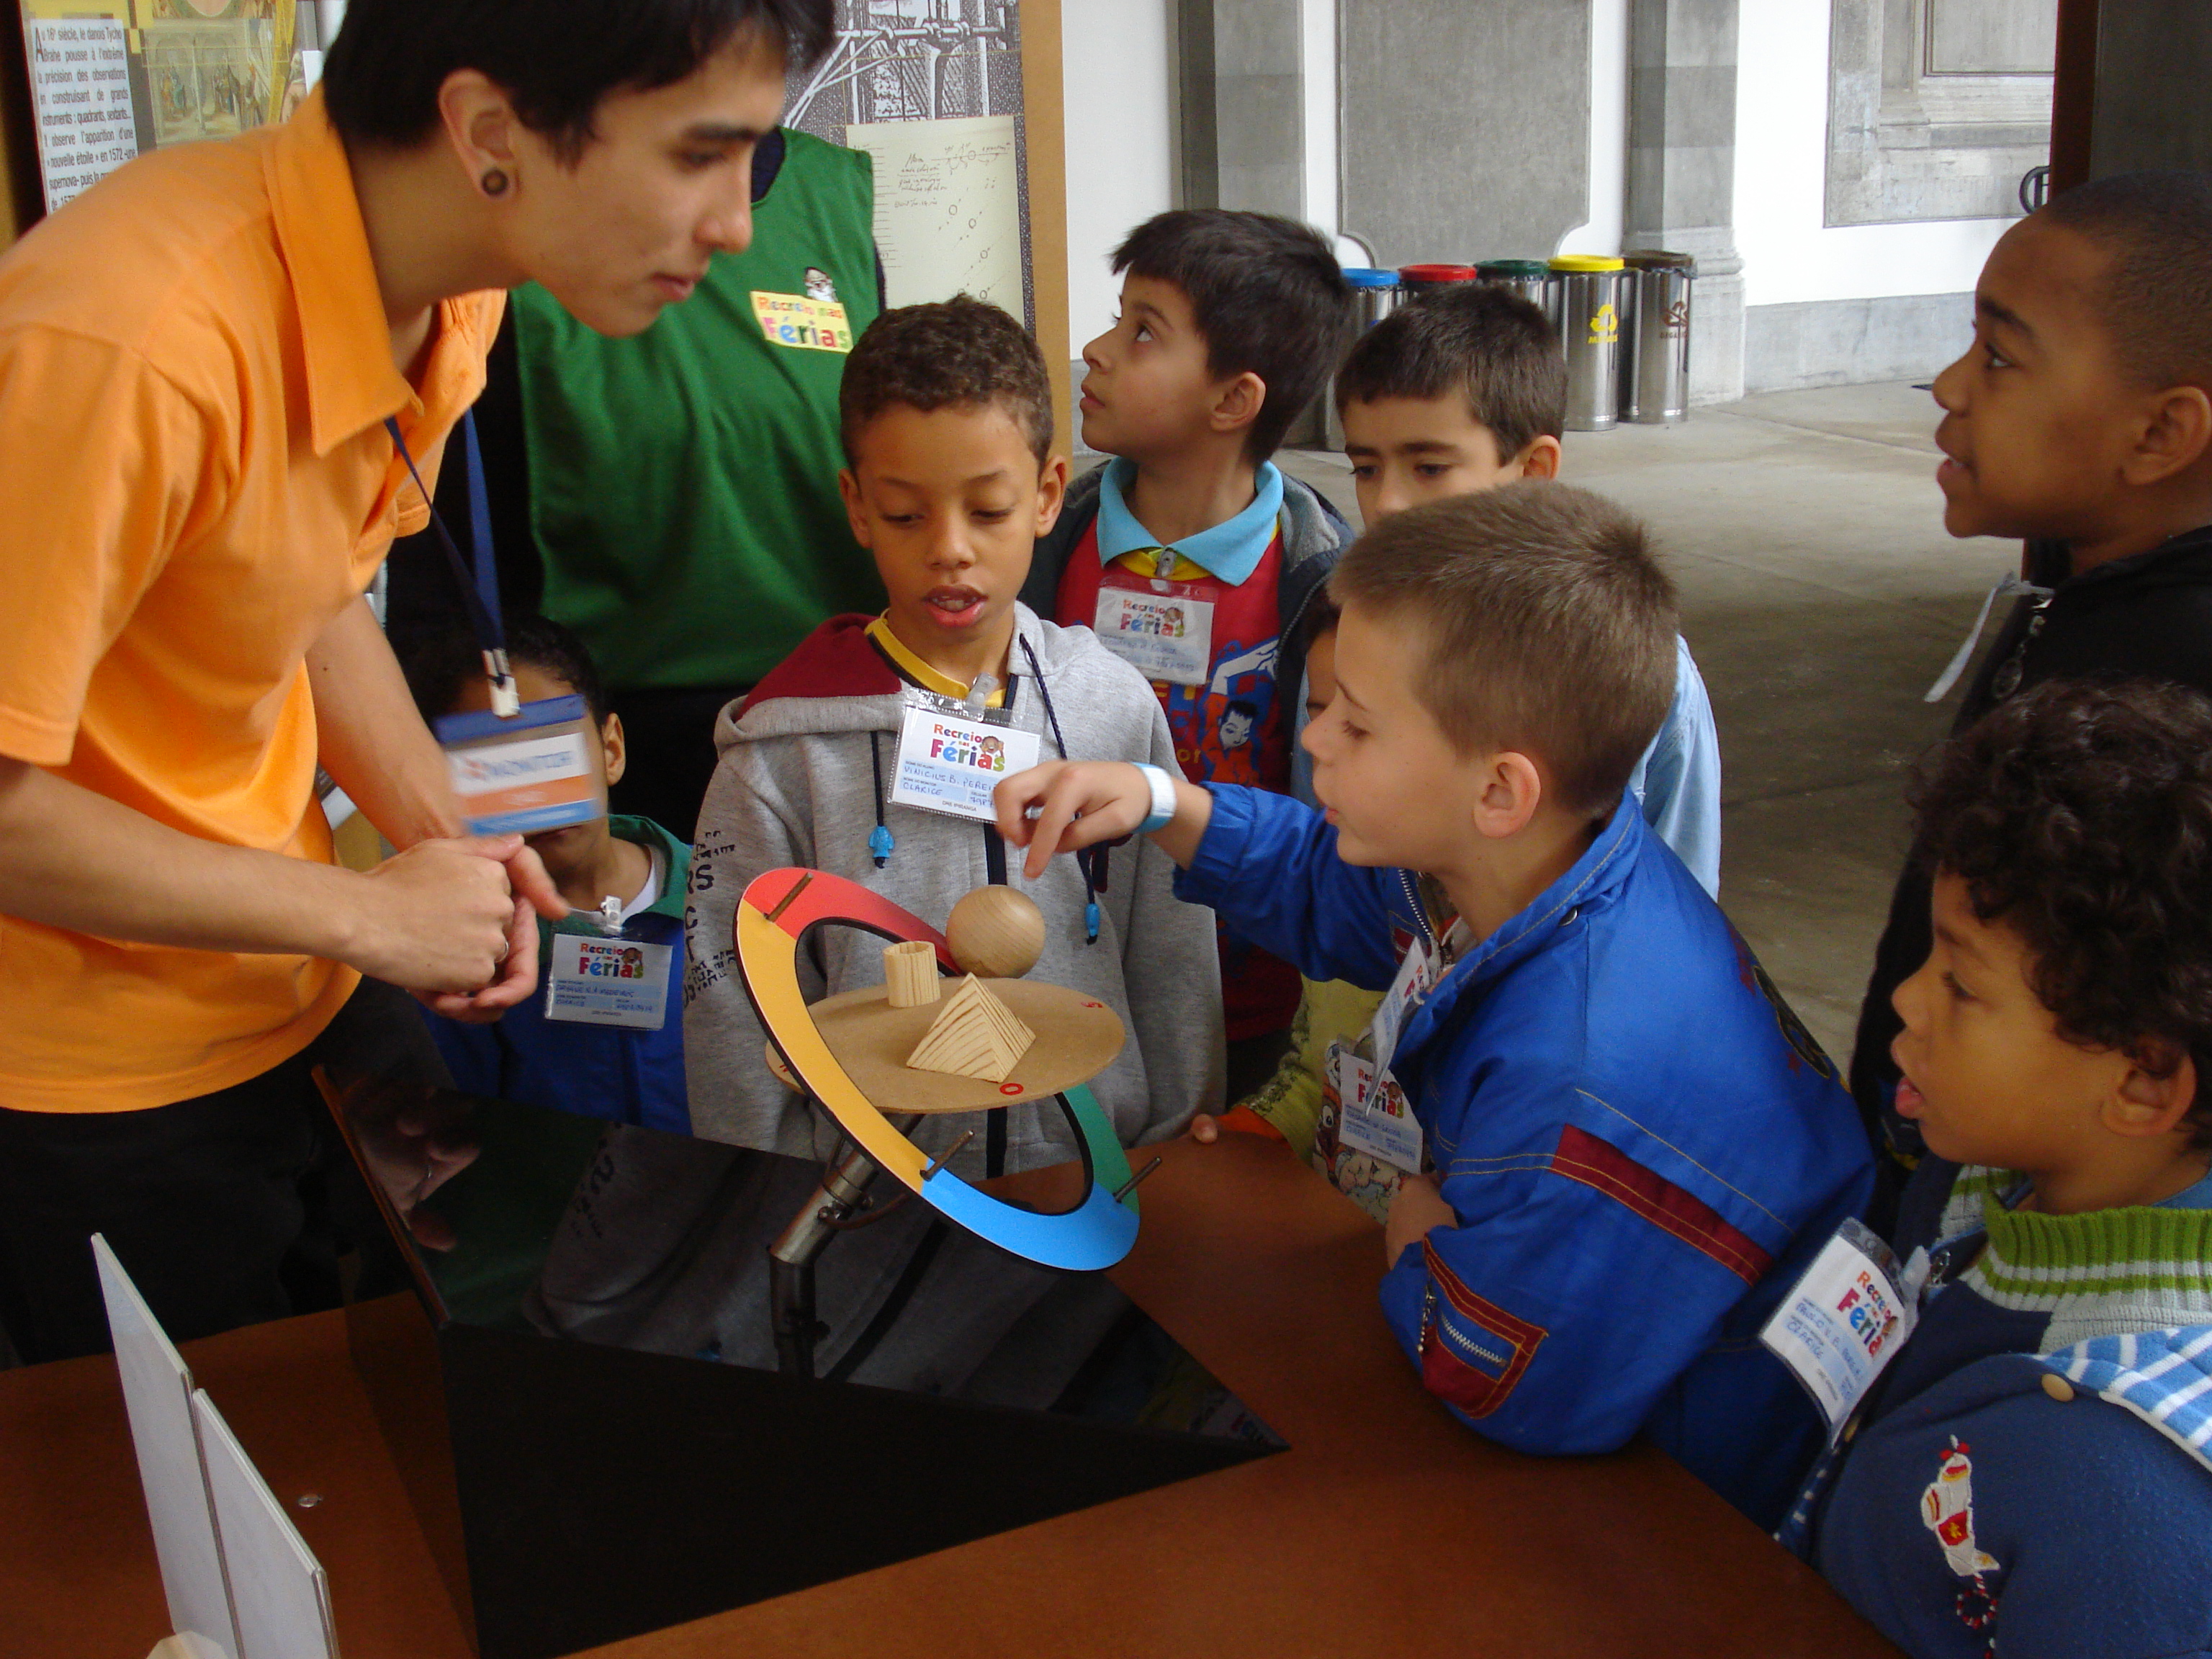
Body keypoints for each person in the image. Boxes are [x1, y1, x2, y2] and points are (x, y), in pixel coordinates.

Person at [0, 0, 831, 1362]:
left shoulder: (454, 292)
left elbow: (311, 589)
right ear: (490, 132)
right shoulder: (124, 345)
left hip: (300, 984)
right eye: (700, 154)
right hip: (97, 1081)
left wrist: (457, 853)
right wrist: (362, 911)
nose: (739, 223)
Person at [999, 482, 1873, 1527]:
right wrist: (1162, 802)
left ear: (1500, 790)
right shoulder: (1529, 864)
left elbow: (1504, 1381)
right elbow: (1334, 886)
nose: (1315, 742)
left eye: (1357, 726)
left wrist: (1419, 1242)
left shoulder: (1580, 1079)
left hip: (1698, 1500)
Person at [684, 295, 1223, 1180]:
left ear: (1047, 495)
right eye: (906, 515)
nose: (950, 550)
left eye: (989, 510)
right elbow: (734, 1004)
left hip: (1097, 1180)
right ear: (858, 506)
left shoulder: (1113, 708)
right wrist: (771, 1188)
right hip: (868, 1196)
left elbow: (1172, 952)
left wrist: (1168, 1161)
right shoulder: (783, 754)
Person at [1789, 680, 2212, 1659]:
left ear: (2143, 1082)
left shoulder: (2138, 1504)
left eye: (1962, 984)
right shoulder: (1985, 1177)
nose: (1907, 999)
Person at [1848, 170, 2212, 1229]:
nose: (1951, 385)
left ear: (2159, 434)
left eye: (2000, 357)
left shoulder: (2177, 684)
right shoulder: (2083, 595)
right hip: (1940, 1142)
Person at [1020, 209, 1360, 1100]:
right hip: (1060, 969)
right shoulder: (1047, 540)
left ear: (1233, 401)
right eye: (1117, 317)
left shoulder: (1323, 583)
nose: (1094, 350)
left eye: (1143, 332)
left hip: (1246, 998)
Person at [1335, 282, 1722, 896]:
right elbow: (1328, 842)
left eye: (1430, 468)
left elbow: (1681, 885)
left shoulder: (1635, 664)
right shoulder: (1355, 632)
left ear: (1533, 471)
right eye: (1366, 469)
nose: (1387, 502)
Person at [405, 616, 691, 1135]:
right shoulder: (465, 948)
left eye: (551, 751)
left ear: (611, 750)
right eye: (493, 765)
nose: (535, 797)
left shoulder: (731, 894)